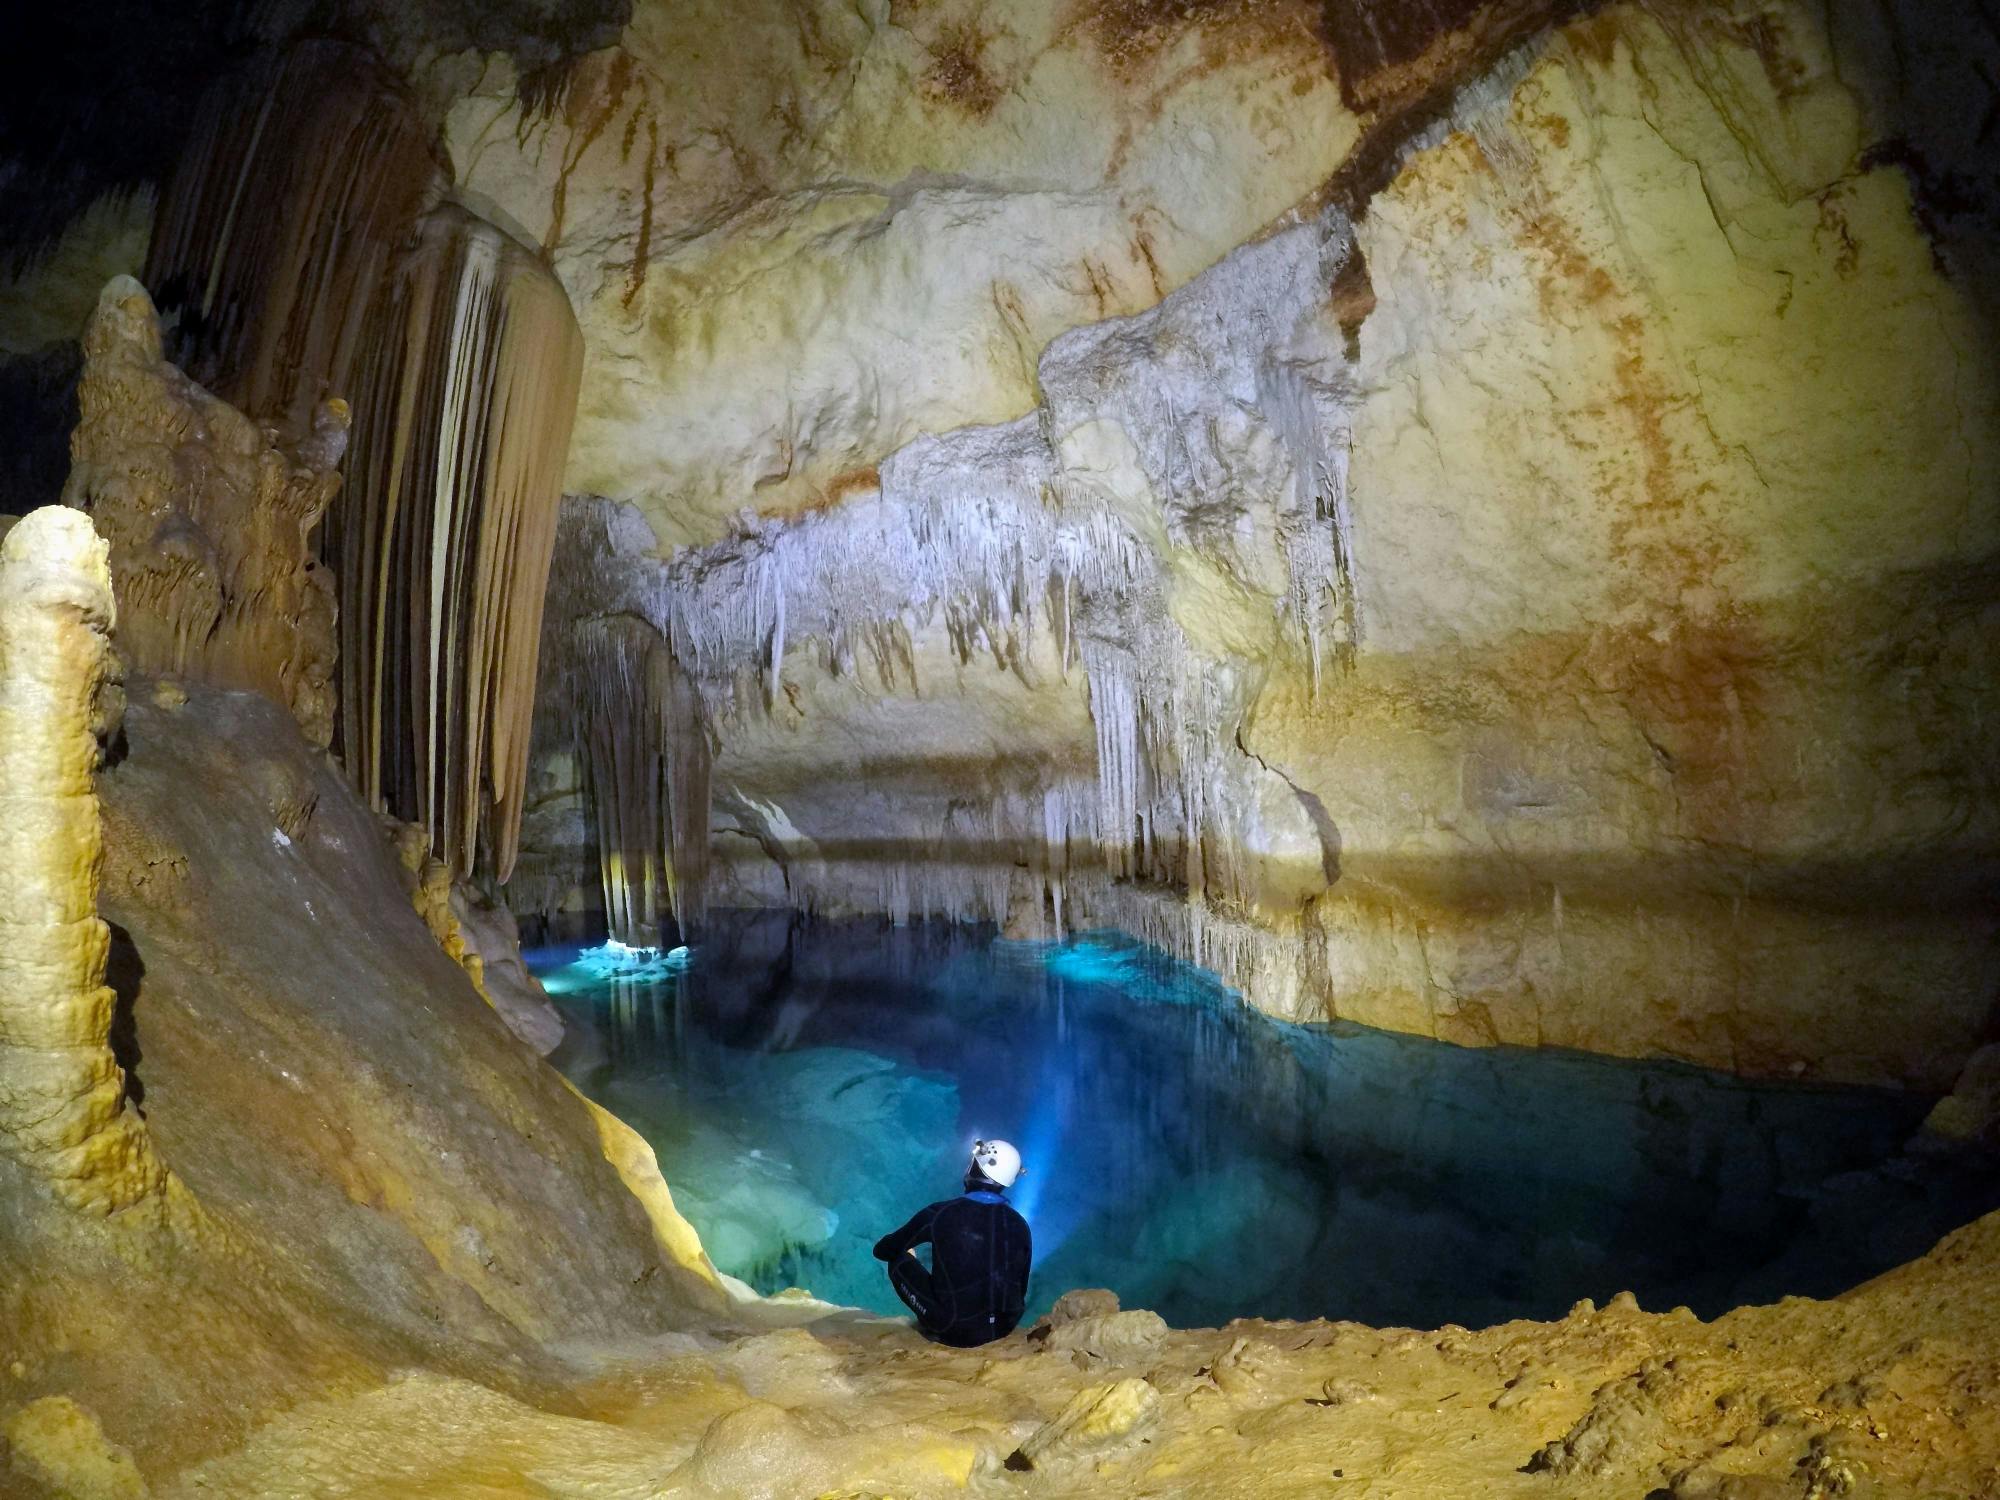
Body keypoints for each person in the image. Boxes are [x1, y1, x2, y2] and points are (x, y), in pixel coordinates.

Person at [873, 1138, 1032, 1346]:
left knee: (897, 1259)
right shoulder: (1021, 1225)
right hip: (1005, 1326)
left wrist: (906, 1252)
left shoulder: (940, 1213)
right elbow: (1021, 1287)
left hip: (954, 1329)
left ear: (976, 1166)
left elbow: (883, 1250)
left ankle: (943, 1322)